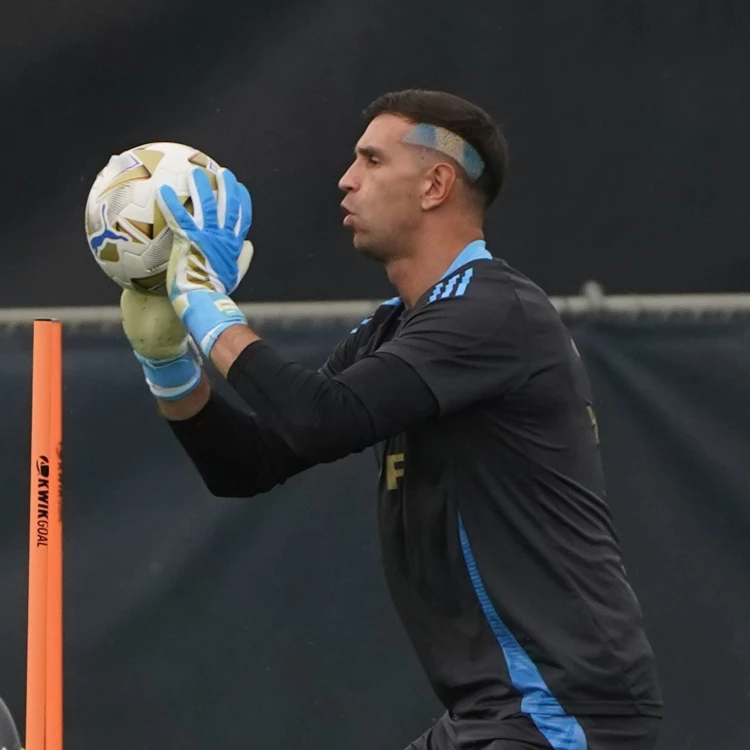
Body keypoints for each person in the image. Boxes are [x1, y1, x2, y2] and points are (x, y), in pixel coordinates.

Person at [120, 89, 663, 749]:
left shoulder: (492, 309)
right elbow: (250, 464)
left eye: (371, 160)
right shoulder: (397, 327)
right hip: (490, 715)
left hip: (560, 711)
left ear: (435, 184)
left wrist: (203, 301)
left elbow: (323, 419)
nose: (346, 179)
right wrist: (169, 365)